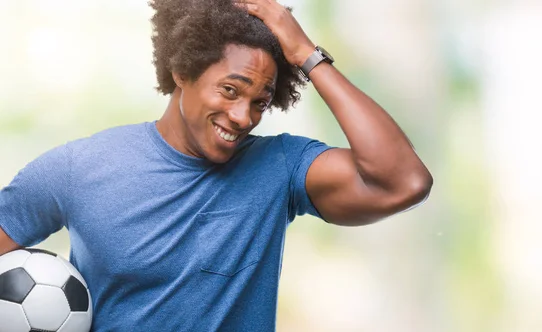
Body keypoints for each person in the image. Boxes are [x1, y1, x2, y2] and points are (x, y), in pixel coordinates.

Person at [0, 0, 433, 331]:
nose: (243, 116)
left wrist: (305, 52)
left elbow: (404, 181)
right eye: (230, 90)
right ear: (182, 71)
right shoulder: (79, 169)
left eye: (260, 102)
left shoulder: (280, 167)